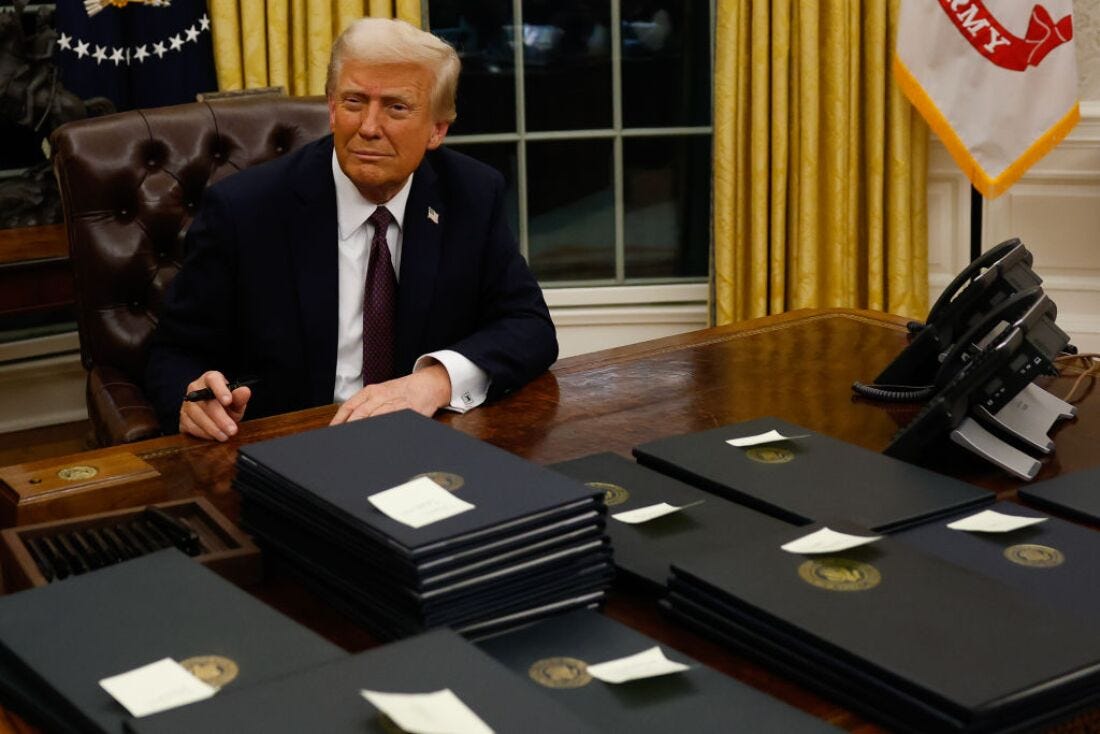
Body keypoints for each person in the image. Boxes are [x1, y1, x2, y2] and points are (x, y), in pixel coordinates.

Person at [145, 18, 557, 441]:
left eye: (396, 107)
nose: (369, 127)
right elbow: (174, 352)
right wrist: (190, 400)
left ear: (437, 129)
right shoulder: (245, 210)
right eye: (354, 101)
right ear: (331, 108)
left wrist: (434, 381)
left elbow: (529, 326)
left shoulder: (471, 195)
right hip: (291, 443)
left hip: (428, 438)